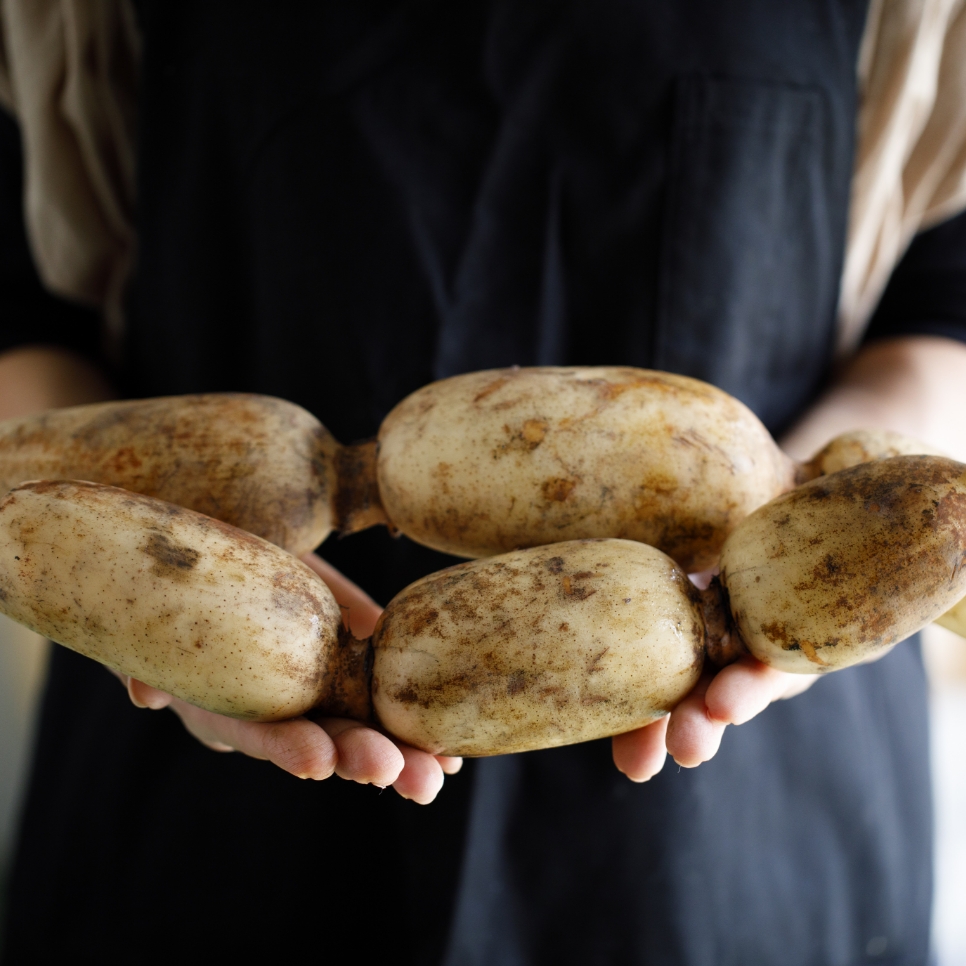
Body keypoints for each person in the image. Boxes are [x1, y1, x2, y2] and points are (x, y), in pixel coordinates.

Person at [1, 2, 966, 963]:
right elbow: (20, 307)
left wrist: (818, 536)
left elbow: (943, 305)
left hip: (750, 807)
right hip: (202, 766)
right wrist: (114, 580)